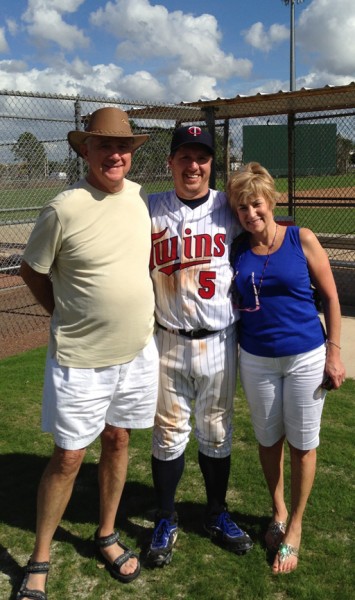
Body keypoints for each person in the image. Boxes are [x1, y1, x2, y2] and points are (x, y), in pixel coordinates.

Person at [17, 107, 159, 599]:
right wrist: (61, 313)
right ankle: (39, 557)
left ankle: (106, 534)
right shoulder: (64, 207)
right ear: (85, 151)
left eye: (122, 147)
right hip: (81, 358)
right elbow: (31, 270)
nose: (115, 154)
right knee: (69, 457)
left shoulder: (140, 199)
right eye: (104, 146)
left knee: (118, 440)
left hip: (138, 351)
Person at [227, 162, 346, 574]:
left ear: (270, 201)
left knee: (302, 443)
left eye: (255, 204)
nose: (250, 213)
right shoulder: (238, 248)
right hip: (256, 359)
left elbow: (331, 299)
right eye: (242, 207)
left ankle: (295, 525)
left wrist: (334, 352)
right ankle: (277, 510)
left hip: (305, 358)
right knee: (268, 439)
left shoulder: (302, 239)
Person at [147, 125, 253, 567]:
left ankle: (215, 513)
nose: (194, 165)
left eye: (202, 157)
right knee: (168, 433)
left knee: (216, 429)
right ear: (170, 162)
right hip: (167, 337)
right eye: (185, 156)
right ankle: (166, 517)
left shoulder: (229, 211)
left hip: (218, 340)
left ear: (213, 163)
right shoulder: (148, 209)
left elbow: (266, 233)